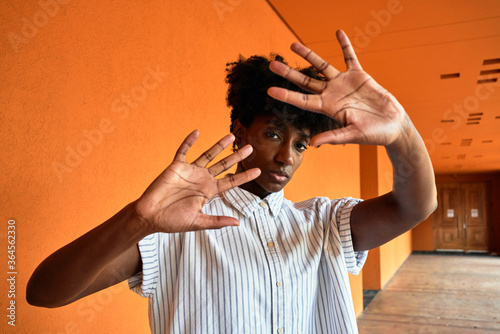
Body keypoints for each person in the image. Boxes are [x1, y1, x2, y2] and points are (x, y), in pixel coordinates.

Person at [27, 30, 437, 333]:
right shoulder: (176, 225)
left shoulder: (323, 223)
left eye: (300, 145)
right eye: (273, 134)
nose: (286, 157)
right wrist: (137, 219)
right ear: (240, 131)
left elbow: (415, 206)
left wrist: (401, 132)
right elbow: (44, 293)